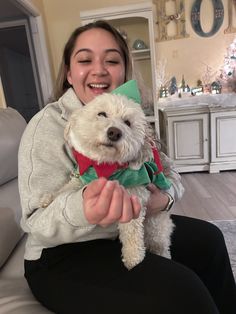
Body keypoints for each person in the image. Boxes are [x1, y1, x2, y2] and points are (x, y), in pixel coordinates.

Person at [18, 20, 236, 314]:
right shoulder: (48, 125)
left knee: (210, 241)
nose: (99, 70)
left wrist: (164, 198)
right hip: (61, 255)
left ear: (124, 71)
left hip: (125, 231)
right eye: (85, 60)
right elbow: (35, 223)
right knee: (183, 292)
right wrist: (84, 208)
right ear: (69, 73)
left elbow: (170, 175)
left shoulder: (134, 121)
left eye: (111, 60)